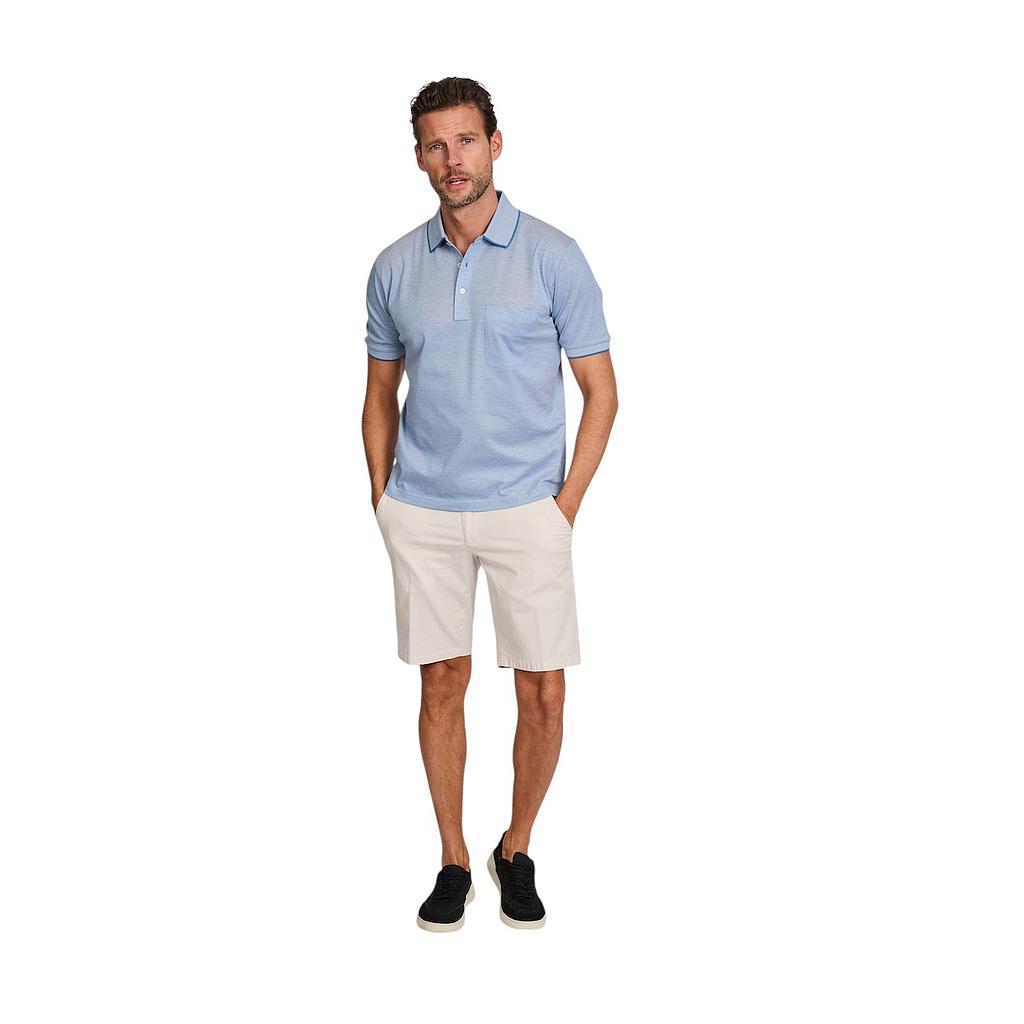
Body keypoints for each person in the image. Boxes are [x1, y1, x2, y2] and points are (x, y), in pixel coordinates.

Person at [361, 77, 618, 931]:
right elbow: (379, 392)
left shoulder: (554, 254)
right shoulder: (394, 267)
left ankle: (516, 847)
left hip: (528, 509)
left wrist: (563, 506)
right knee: (442, 684)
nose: (453, 159)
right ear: (419, 157)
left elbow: (602, 392)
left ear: (495, 145)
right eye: (436, 144)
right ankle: (452, 858)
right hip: (424, 509)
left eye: (466, 140)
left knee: (543, 692)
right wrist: (383, 497)